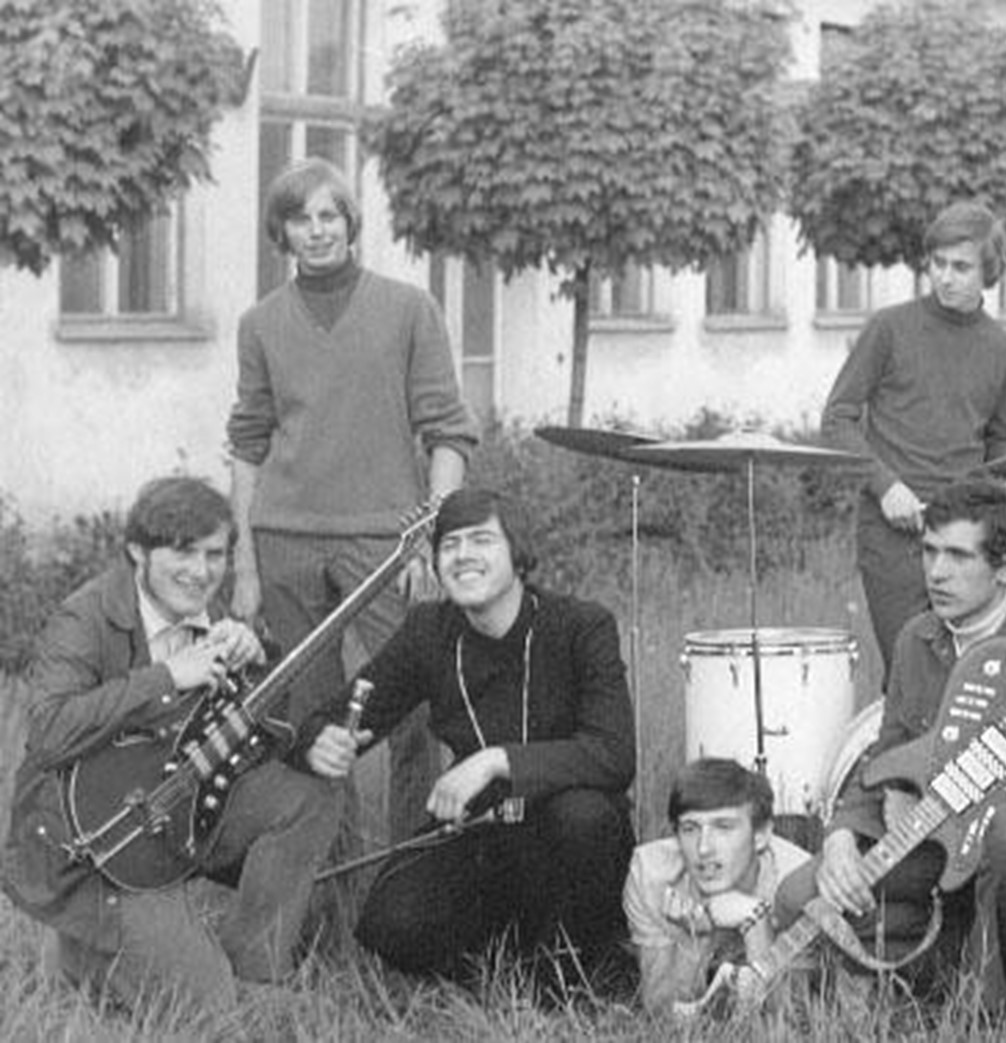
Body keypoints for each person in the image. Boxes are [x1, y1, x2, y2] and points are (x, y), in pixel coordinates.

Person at [774, 480, 1006, 1010]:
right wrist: (842, 835)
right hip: (932, 839)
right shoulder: (916, 638)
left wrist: (978, 818)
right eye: (929, 552)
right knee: (800, 896)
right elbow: (886, 755)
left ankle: (988, 1004)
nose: (936, 572)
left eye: (958, 556)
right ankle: (940, 953)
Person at [0, 477, 341, 1004]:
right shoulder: (85, 616)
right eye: (183, 552)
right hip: (97, 838)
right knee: (209, 1008)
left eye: (214, 555)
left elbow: (247, 736)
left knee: (308, 796)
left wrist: (257, 662)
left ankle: (255, 969)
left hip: (175, 813)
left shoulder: (211, 613)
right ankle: (81, 948)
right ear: (138, 551)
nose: (201, 572)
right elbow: (47, 731)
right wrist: (167, 678)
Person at [226, 157, 478, 839]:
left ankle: (411, 865)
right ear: (281, 232)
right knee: (310, 725)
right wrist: (246, 564)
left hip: (388, 545)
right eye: (300, 219)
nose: (317, 231)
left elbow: (449, 433)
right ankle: (331, 875)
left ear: (350, 222)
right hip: (286, 541)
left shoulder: (409, 310)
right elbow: (247, 443)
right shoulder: (260, 324)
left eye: (329, 215)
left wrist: (430, 535)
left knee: (416, 711)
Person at [298, 487, 636, 986]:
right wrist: (318, 742)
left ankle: (572, 972)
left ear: (518, 554)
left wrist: (495, 760)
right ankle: (506, 966)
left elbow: (613, 755)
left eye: (482, 540)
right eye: (450, 545)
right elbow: (337, 715)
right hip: (480, 830)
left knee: (584, 819)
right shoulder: (428, 631)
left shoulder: (582, 625)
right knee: (390, 924)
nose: (463, 556)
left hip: (567, 828)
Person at [820, 201, 1006, 681]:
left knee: (977, 675)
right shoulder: (889, 329)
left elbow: (1000, 441)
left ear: (989, 272)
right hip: (894, 536)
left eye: (961, 267)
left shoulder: (1003, 350)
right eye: (938, 263)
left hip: (970, 533)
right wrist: (886, 486)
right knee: (911, 673)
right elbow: (837, 419)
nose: (945, 277)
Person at [623, 758, 811, 1015]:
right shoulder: (652, 875)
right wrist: (690, 938)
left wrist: (755, 921)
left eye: (723, 828)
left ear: (760, 836)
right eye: (690, 829)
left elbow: (781, 1015)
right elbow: (660, 1009)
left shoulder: (796, 881)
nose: (704, 848)